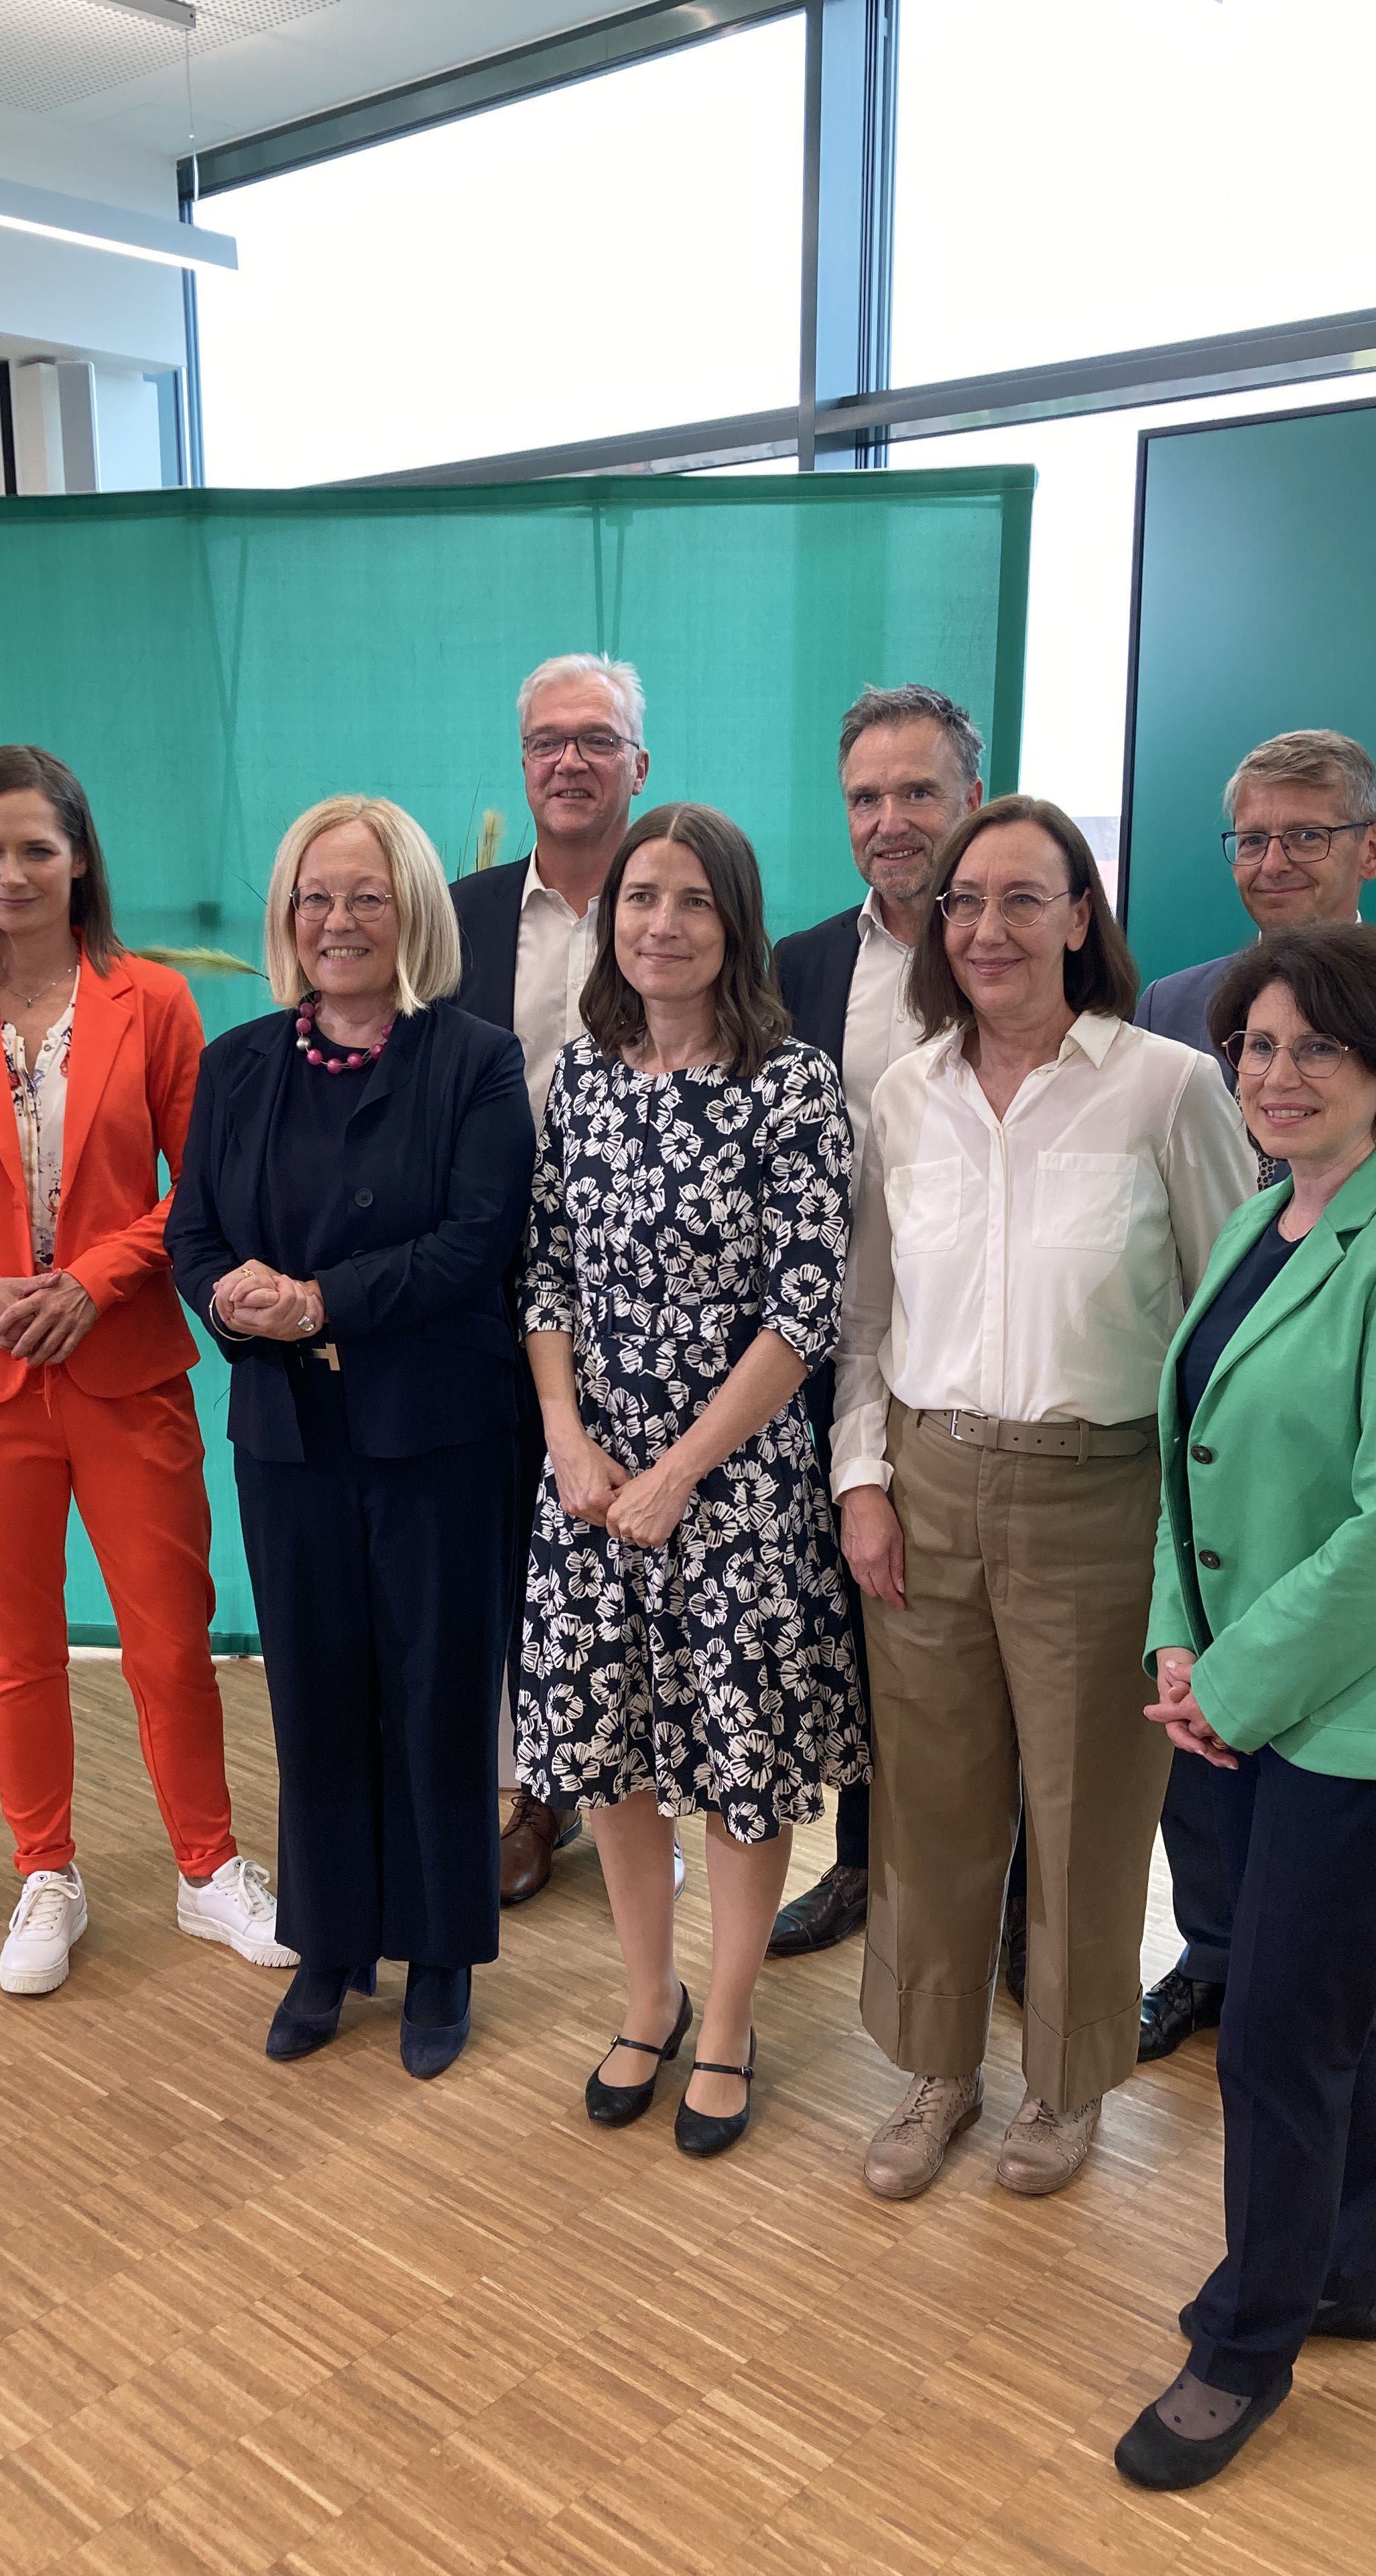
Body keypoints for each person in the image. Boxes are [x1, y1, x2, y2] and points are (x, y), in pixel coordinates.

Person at [1115, 921, 1376, 2490]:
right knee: (1322, 1998)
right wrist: (1174, 1640)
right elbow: (1187, 1452)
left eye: (1314, 1051)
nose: (1274, 1077)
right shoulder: (1268, 1219)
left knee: (1276, 2025)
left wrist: (1234, 1676)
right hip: (1234, 1691)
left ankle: (1246, 2336)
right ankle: (1347, 2270)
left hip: (1364, 1707)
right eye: (1256, 1048)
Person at [834, 795, 1254, 2203]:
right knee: (934, 1802)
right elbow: (865, 1315)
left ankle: (1067, 2084)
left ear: (1083, 915)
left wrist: (1196, 1552)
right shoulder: (904, 1093)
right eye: (964, 903)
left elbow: (1221, 1324)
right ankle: (935, 2069)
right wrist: (862, 1482)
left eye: (1025, 898)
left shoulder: (1169, 1086)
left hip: (1099, 1492)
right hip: (928, 1476)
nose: (989, 928)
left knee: (1087, 1810)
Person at [0, 745, 288, 1995]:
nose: (10, 872)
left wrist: (96, 1279)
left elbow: (198, 1191)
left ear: (80, 856)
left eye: (36, 848)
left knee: (169, 1638)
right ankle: (47, 1870)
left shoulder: (151, 1000)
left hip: (126, 1369)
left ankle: (207, 1872)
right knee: (15, 1647)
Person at [1131, 728, 1376, 2067]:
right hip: (1209, 1489)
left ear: (1373, 846)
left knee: (1316, 1980)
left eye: (1305, 833)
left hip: (1339, 1505)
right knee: (1217, 1816)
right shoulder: (1175, 1006)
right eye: (1251, 836)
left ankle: (1279, 2001)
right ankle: (1213, 1953)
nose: (1274, 859)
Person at [166, 795, 534, 2079]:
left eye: (365, 897)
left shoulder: (476, 1061)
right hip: (287, 1432)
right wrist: (231, 1297)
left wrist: (324, 1302)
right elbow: (192, 1232)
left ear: (412, 911)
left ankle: (439, 1956)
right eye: (316, 898)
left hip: (437, 1430)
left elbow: (475, 1245)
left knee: (436, 1693)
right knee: (316, 1691)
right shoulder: (240, 1062)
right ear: (287, 916)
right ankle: (329, 1948)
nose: (337, 922)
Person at [520, 801, 867, 2159]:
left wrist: (679, 1472)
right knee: (605, 1756)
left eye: (691, 902)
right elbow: (543, 1267)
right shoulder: (583, 1075)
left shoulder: (794, 1082)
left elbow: (805, 1309)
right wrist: (564, 1431)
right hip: (590, 1481)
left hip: (738, 1488)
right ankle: (647, 1997)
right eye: (639, 898)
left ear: (736, 926)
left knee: (737, 1766)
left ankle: (728, 2017)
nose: (659, 923)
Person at [767, 681, 984, 1957]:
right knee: (860, 1611)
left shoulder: (1037, 950)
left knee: (984, 1633)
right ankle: (859, 1862)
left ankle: (1006, 1899)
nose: (891, 820)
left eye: (917, 791)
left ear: (971, 790)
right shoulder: (801, 966)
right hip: (833, 1350)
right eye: (866, 797)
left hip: (991, 1355)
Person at [451, 651, 655, 1908]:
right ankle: (533, 1790)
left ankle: (622, 1789)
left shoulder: (683, 903)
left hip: (648, 1303)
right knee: (504, 1546)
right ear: (521, 763)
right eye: (546, 742)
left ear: (642, 763)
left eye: (596, 738)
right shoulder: (460, 918)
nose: (569, 761)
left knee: (629, 1545)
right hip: (481, 1289)